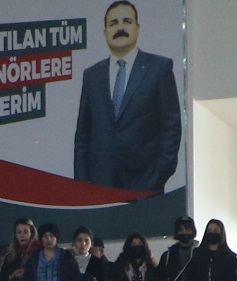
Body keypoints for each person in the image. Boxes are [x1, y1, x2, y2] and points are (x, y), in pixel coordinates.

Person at [72, 1, 181, 194]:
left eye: (127, 21)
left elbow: (171, 127)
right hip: (99, 188)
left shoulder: (159, 69)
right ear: (105, 32)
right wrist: (81, 184)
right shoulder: (92, 75)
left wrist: (157, 177)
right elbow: (83, 135)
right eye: (113, 23)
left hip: (145, 188)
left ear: (137, 28)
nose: (120, 28)